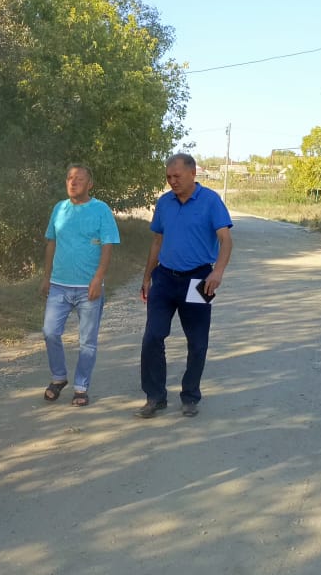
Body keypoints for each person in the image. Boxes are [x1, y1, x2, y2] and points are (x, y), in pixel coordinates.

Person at [137, 152, 233, 419]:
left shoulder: (210, 201)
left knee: (197, 341)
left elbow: (225, 240)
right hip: (164, 279)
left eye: (176, 176)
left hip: (199, 279)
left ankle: (190, 396)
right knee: (153, 337)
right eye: (168, 177)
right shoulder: (164, 203)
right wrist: (147, 277)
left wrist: (218, 272)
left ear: (193, 173)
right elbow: (157, 242)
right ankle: (155, 397)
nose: (172, 181)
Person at [40, 164, 120, 406]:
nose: (73, 182)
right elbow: (51, 243)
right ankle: (59, 377)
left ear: (90, 184)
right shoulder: (59, 209)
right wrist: (46, 277)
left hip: (88, 288)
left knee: (87, 340)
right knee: (50, 332)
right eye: (69, 178)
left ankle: (81, 387)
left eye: (79, 179)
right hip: (58, 285)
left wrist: (98, 278)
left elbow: (108, 245)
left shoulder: (100, 210)